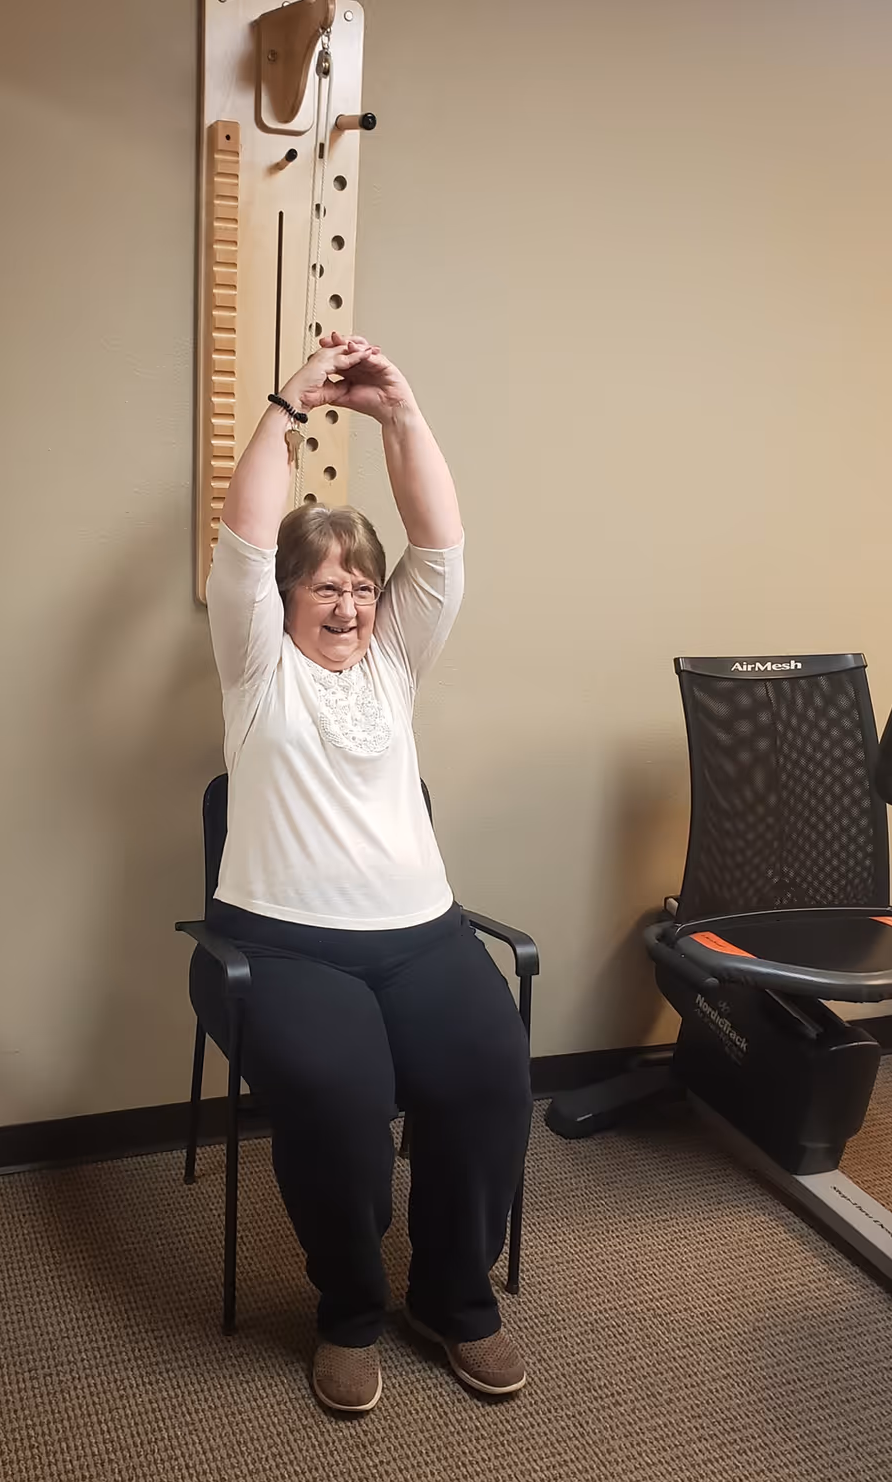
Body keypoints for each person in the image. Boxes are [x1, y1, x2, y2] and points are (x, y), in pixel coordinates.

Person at [191, 333, 533, 1414]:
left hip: (422, 937)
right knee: (345, 1098)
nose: (348, 605)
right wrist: (288, 407)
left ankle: (453, 1297)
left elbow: (446, 550)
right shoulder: (254, 670)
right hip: (277, 946)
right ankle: (347, 1308)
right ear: (285, 596)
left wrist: (402, 414)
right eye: (325, 585)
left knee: (487, 1073)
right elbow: (241, 546)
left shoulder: (395, 663)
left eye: (362, 586)